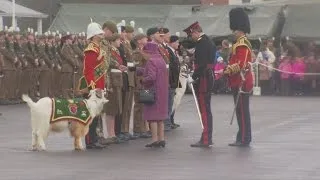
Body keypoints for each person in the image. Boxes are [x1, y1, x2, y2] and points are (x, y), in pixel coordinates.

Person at [223, 8, 253, 147]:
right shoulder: (238, 42)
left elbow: (241, 63)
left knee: (242, 111)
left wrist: (227, 70)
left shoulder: (242, 43)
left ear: (239, 30)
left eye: (235, 30)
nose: (233, 32)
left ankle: (244, 138)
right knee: (240, 110)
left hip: (242, 81)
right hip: (238, 80)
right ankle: (242, 136)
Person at [184, 21, 215, 148]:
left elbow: (201, 64)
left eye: (191, 35)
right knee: (206, 109)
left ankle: (206, 138)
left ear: (195, 32)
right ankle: (206, 136)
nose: (191, 38)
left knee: (204, 109)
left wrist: (193, 76)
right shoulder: (208, 41)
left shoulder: (202, 43)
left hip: (203, 78)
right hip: (207, 76)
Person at [79, 21, 107, 149]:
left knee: (96, 115)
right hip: (93, 86)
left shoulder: (98, 47)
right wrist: (93, 87)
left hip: (99, 84)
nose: (102, 36)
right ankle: (90, 140)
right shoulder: (91, 49)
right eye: (100, 34)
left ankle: (94, 138)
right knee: (91, 115)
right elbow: (88, 70)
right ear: (94, 35)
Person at [137, 40, 169, 148]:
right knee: (160, 118)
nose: (144, 56)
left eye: (144, 53)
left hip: (152, 91)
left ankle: (154, 139)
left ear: (148, 52)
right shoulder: (160, 60)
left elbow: (151, 77)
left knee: (153, 117)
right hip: (162, 92)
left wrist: (143, 81)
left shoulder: (151, 61)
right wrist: (135, 69)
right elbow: (150, 71)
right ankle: (161, 138)